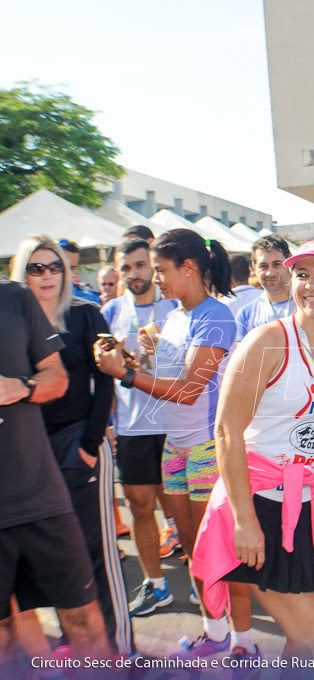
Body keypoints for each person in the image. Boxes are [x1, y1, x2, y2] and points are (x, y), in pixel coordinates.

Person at [192, 237, 314, 661]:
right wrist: (243, 522)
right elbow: (226, 432)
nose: (311, 284)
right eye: (302, 274)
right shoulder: (266, 342)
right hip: (260, 506)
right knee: (308, 637)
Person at [94, 229, 252, 660]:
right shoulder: (178, 316)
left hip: (207, 447)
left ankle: (245, 643)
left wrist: (125, 374)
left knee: (220, 555)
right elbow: (167, 379)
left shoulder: (215, 315)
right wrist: (136, 359)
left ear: (190, 268)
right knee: (194, 552)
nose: (157, 279)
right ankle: (214, 633)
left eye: (162, 270)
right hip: (174, 447)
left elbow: (188, 391)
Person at [11, 237, 132, 656]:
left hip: (79, 441)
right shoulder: (13, 321)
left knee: (94, 551)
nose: (47, 276)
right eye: (36, 268)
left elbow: (106, 379)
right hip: (30, 452)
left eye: (54, 267)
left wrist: (89, 443)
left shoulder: (84, 313)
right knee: (55, 560)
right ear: (20, 273)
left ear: (66, 271)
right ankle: (75, 641)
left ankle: (118, 648)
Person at [0, 275, 111, 668]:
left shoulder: (13, 296)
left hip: (40, 495)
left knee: (85, 621)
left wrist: (20, 387)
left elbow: (57, 378)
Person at [101, 238, 178, 617]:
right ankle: (157, 584)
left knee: (185, 509)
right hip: (133, 427)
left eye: (140, 265)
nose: (134, 274)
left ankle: (204, 580)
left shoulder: (175, 306)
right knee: (141, 508)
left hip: (176, 424)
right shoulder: (110, 310)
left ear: (152, 267)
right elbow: (103, 371)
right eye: (126, 267)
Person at [235, 235, 296, 340]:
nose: (270, 273)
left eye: (277, 264)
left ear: (288, 263)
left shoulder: (307, 306)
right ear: (254, 268)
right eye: (263, 266)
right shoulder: (246, 315)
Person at [59, 239, 102, 305]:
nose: (68, 272)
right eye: (64, 266)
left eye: (72, 268)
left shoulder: (89, 299)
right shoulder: (40, 295)